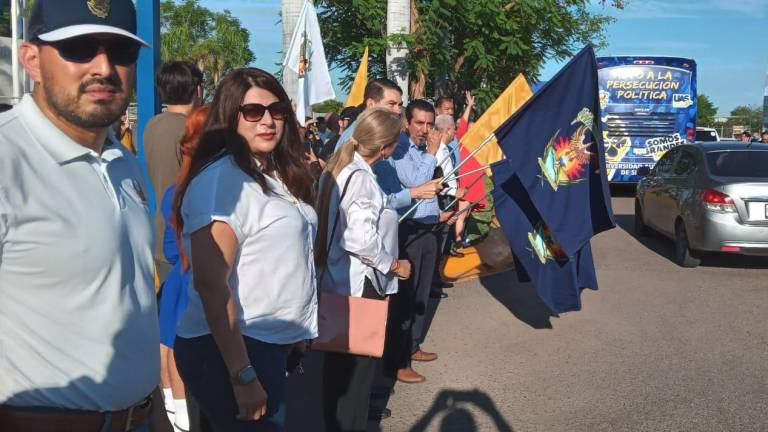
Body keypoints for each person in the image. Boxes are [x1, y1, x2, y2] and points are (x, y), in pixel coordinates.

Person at [0, 0, 170, 431]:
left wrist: (156, 414)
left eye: (120, 52)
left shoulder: (122, 160)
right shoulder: (8, 158)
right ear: (32, 60)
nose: (104, 67)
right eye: (79, 48)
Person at [172, 68, 317, 432]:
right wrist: (242, 374)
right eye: (253, 112)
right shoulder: (223, 181)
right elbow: (211, 284)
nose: (267, 120)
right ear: (230, 116)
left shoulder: (270, 172)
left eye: (277, 109)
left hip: (268, 340)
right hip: (234, 348)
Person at [315, 108, 412, 432]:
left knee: (342, 371)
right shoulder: (361, 179)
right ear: (385, 146)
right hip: (359, 283)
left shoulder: (344, 168)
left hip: (343, 279)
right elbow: (359, 238)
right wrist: (393, 265)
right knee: (355, 375)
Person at [380, 99, 455, 384]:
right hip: (407, 231)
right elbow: (416, 183)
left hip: (428, 229)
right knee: (404, 298)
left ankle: (412, 346)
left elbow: (432, 192)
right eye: (420, 123)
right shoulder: (399, 149)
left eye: (429, 124)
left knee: (422, 295)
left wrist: (440, 213)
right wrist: (433, 154)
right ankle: (396, 361)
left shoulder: (424, 150)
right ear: (406, 123)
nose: (425, 130)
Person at [157, 106, 210, 431]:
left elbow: (167, 247)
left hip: (178, 279)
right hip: (198, 283)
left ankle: (176, 423)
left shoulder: (174, 191)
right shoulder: (214, 190)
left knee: (168, 350)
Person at [145, 60, 203, 282]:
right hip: (182, 238)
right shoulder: (190, 131)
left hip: (159, 233)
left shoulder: (152, 124)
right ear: (197, 90)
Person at [334, 78, 405, 152]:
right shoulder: (354, 138)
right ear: (371, 104)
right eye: (391, 104)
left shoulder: (390, 134)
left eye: (399, 105)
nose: (398, 111)